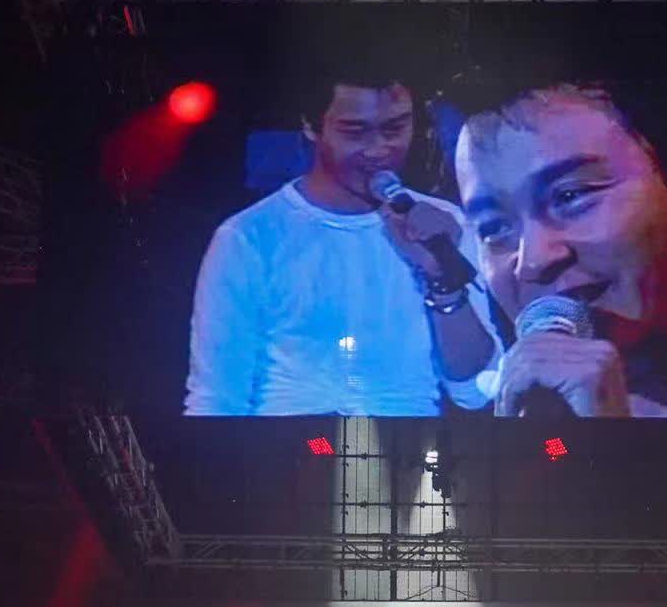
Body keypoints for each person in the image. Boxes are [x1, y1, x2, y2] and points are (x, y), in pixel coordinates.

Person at [453, 79, 667, 419]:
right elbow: (555, 450)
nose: (533, 261)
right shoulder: (545, 428)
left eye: (570, 195)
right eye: (494, 228)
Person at [184, 64, 498, 416]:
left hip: (406, 441)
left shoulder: (444, 224)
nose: (378, 150)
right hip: (293, 441)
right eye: (355, 132)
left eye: (395, 128)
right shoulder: (249, 237)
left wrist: (444, 281)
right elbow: (215, 400)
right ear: (310, 126)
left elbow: (475, 389)